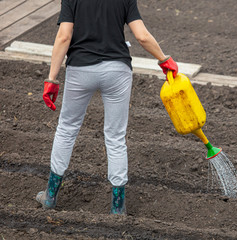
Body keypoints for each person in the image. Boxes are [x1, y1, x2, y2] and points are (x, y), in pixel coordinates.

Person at [36, 0, 178, 215]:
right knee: (115, 136)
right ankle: (117, 206)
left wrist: (52, 79)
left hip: (80, 69)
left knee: (67, 129)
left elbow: (64, 36)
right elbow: (141, 35)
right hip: (117, 71)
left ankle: (50, 195)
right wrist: (164, 59)